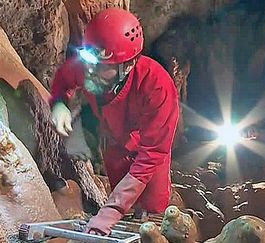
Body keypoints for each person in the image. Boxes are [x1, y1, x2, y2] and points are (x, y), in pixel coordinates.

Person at [49, 7, 179, 235]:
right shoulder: (91, 66)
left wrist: (108, 213)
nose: (90, 71)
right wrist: (60, 102)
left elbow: (151, 155)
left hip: (149, 152)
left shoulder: (158, 87)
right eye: (88, 61)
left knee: (153, 207)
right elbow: (65, 78)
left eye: (100, 67)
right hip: (115, 144)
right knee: (120, 205)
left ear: (127, 66)